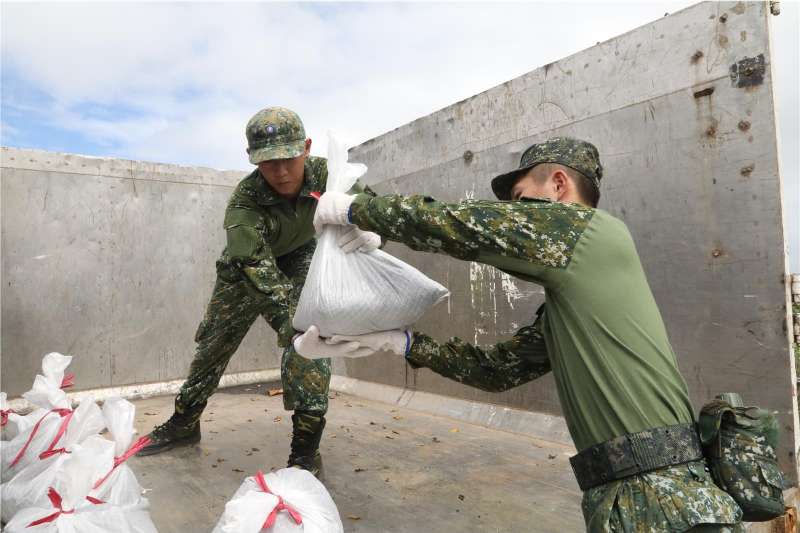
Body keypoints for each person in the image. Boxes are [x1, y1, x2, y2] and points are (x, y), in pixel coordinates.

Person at [300, 137, 743, 531]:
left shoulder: (591, 233)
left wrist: (357, 209)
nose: (513, 214)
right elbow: (498, 371)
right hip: (636, 495)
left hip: (666, 500)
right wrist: (403, 343)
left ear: (557, 184)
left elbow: (468, 224)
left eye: (519, 200)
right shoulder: (573, 298)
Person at [137, 107, 380, 478]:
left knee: (310, 338)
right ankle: (184, 421)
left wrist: (370, 227)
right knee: (214, 344)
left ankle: (305, 454)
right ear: (252, 160)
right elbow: (252, 262)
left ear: (306, 148)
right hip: (246, 269)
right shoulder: (244, 200)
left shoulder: (330, 175)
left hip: (299, 257)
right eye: (268, 163)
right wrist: (289, 318)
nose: (281, 172)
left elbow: (372, 205)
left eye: (288, 158)